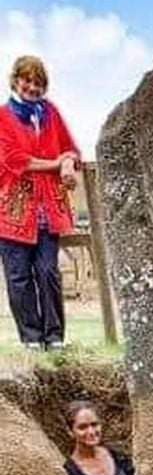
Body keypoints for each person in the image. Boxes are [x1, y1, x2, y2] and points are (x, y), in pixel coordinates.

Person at [0, 55, 80, 350]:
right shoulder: (3, 117)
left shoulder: (51, 114)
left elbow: (69, 147)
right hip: (13, 210)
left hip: (48, 209)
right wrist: (57, 163)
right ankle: (31, 339)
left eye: (38, 83)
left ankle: (55, 336)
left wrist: (69, 164)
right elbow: (15, 161)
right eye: (27, 80)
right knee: (19, 277)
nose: (32, 87)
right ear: (16, 81)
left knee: (48, 271)